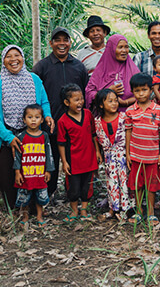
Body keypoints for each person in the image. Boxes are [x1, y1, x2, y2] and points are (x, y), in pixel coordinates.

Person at [0, 45, 53, 210]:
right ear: (3, 61)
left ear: (23, 58)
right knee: (6, 176)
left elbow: (43, 101)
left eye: (17, 55)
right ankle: (13, 210)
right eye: (9, 56)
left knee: (29, 171)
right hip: (2, 137)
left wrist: (48, 115)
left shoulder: (34, 80)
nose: (14, 59)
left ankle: (29, 208)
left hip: (30, 135)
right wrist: (9, 137)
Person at [33, 27, 88, 198]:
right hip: (50, 125)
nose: (62, 44)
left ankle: (75, 196)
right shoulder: (42, 67)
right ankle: (47, 195)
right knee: (50, 162)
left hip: (74, 126)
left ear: (70, 43)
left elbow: (86, 93)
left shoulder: (78, 66)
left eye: (66, 40)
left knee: (74, 161)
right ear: (51, 43)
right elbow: (33, 95)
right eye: (58, 40)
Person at [125, 73, 160, 225]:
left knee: (151, 185)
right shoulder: (130, 111)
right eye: (137, 90)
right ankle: (139, 211)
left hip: (153, 156)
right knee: (137, 184)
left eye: (144, 89)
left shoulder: (158, 110)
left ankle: (150, 212)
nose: (141, 93)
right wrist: (128, 153)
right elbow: (128, 131)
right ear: (133, 92)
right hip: (136, 155)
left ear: (150, 90)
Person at [58, 84, 98, 222]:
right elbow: (61, 143)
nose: (80, 102)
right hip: (73, 160)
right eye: (76, 99)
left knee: (87, 186)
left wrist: (97, 151)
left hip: (89, 158)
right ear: (67, 102)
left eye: (81, 99)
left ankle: (84, 210)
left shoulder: (88, 114)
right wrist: (64, 162)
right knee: (73, 187)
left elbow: (93, 134)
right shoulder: (62, 121)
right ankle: (74, 210)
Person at [92, 88, 131, 220]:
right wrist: (98, 151)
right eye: (110, 101)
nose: (114, 103)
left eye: (116, 100)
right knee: (111, 182)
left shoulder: (123, 117)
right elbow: (95, 137)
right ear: (101, 105)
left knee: (125, 181)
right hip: (109, 156)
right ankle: (112, 208)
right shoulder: (97, 121)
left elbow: (129, 135)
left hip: (123, 155)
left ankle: (125, 209)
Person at [13, 104, 55, 225]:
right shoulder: (21, 137)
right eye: (30, 117)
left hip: (40, 172)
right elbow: (17, 156)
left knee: (40, 197)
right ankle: (25, 217)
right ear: (24, 120)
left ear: (42, 120)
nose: (33, 120)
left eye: (37, 117)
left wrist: (48, 170)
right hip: (26, 173)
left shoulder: (44, 136)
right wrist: (17, 172)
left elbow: (49, 154)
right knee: (24, 197)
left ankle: (39, 216)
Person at [86, 34, 140, 111]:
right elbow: (89, 93)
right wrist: (108, 91)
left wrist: (126, 102)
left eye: (126, 47)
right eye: (120, 47)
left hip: (130, 116)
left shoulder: (133, 69)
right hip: (106, 118)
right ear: (111, 49)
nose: (124, 50)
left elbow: (143, 93)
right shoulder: (101, 70)